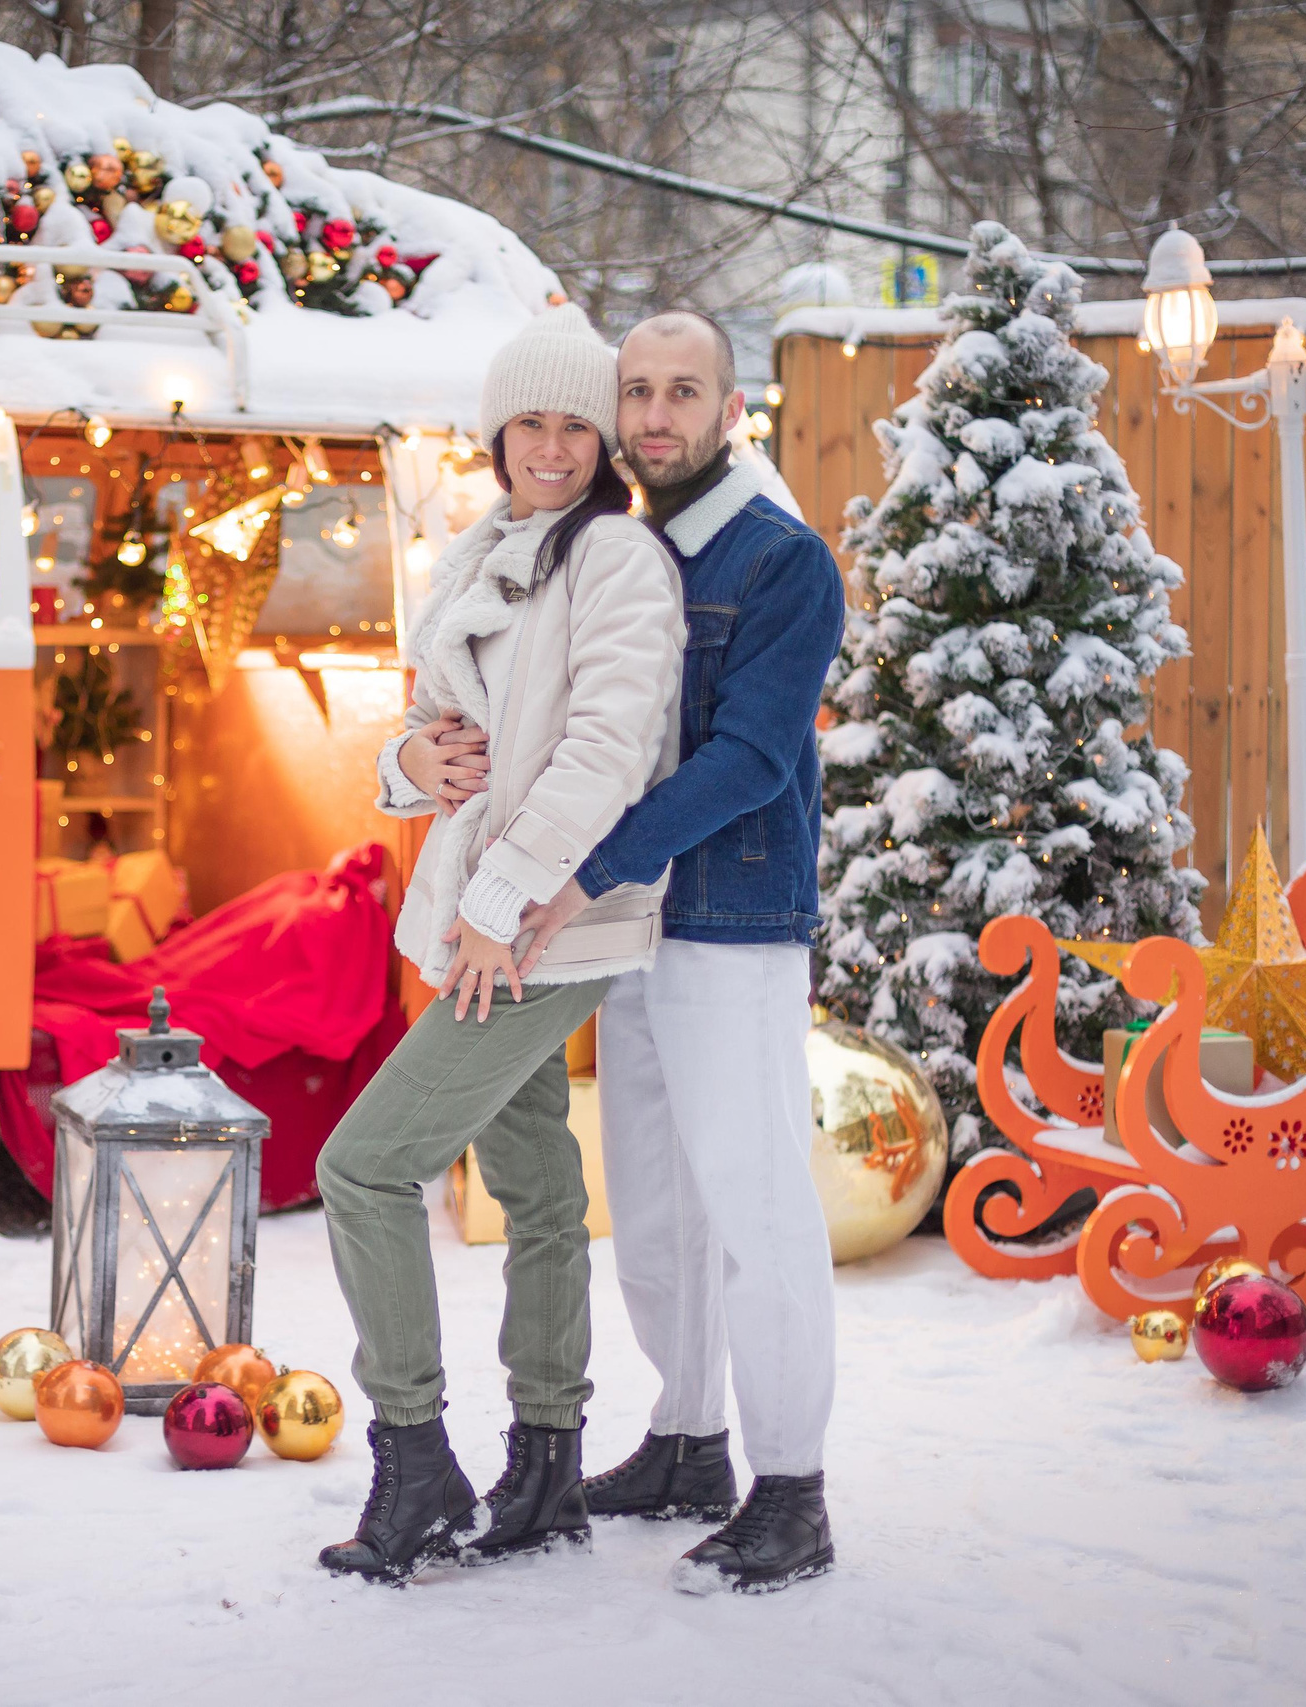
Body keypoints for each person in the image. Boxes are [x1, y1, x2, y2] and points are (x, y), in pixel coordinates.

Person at [313, 304, 686, 1584]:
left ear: (603, 439)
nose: (550, 444)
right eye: (528, 420)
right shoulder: (481, 553)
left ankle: (414, 1459)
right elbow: (428, 736)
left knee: (362, 1168)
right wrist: (404, 762)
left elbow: (606, 751)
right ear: (496, 434)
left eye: (574, 423)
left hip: (541, 928)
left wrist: (502, 903)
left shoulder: (617, 562)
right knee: (536, 1196)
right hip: (482, 915)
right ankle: (545, 1462)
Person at [517, 310, 845, 1594]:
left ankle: (793, 1490)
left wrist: (587, 862)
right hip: (628, 930)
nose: (654, 416)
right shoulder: (620, 550)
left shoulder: (780, 562)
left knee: (755, 1205)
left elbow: (752, 759)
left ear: (728, 409)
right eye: (636, 392)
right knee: (655, 1207)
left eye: (682, 393)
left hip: (730, 920)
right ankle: (686, 1439)